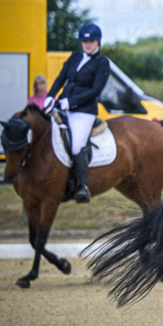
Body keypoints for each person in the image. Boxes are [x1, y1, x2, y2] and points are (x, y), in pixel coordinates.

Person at [43, 23, 111, 203]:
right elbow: (61, 79)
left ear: (98, 42)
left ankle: (82, 186)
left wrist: (71, 102)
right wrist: (50, 96)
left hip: (84, 112)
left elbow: (95, 90)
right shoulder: (74, 57)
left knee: (76, 146)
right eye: (84, 41)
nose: (87, 44)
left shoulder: (102, 63)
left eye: (91, 41)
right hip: (62, 105)